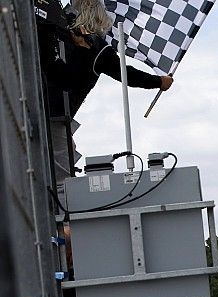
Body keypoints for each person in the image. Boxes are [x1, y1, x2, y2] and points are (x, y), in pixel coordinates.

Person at [45, 0, 173, 179]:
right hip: (56, 113)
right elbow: (127, 74)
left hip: (40, 104)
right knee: (63, 177)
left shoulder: (54, 26)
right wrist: (159, 81)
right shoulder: (98, 49)